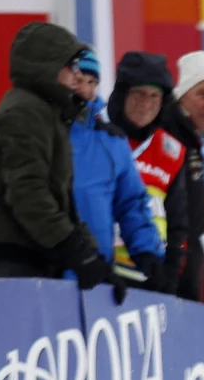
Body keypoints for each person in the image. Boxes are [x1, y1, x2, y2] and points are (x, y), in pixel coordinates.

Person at [0, 22, 123, 300]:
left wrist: (92, 257)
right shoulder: (25, 113)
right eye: (71, 67)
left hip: (30, 256)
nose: (77, 76)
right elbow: (28, 193)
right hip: (9, 259)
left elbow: (61, 199)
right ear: (48, 66)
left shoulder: (49, 114)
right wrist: (75, 249)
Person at [62, 48, 165, 290]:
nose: (85, 90)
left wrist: (147, 252)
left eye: (92, 82)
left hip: (96, 276)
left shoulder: (110, 142)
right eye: (78, 81)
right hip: (44, 274)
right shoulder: (37, 133)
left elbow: (131, 203)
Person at [106, 51, 190, 294]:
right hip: (105, 275)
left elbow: (178, 222)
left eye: (154, 96)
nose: (146, 103)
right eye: (138, 94)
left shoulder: (172, 152)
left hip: (150, 278)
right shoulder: (100, 138)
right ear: (122, 94)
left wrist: (171, 274)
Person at [160, 50, 204, 301]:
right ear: (182, 95)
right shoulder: (166, 138)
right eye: (203, 94)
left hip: (198, 283)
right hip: (171, 279)